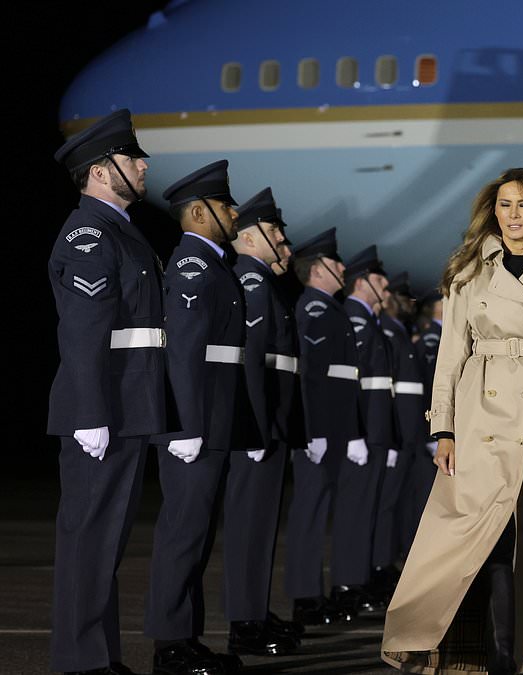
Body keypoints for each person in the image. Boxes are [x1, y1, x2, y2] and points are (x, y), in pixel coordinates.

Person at [382, 168, 523, 675]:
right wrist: (444, 428)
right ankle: (444, 643)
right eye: (504, 205)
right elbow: (451, 355)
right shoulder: (468, 269)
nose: (512, 215)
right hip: (482, 410)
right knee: (474, 535)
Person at [48, 109, 163, 675]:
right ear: (100, 170)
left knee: (106, 541)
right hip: (104, 409)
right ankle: (79, 662)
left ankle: (98, 657)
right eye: (131, 157)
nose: (143, 165)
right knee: (89, 540)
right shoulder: (90, 233)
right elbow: (85, 328)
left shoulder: (121, 230)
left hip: (127, 405)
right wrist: (90, 412)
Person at [147, 160, 258, 674]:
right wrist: (186, 426)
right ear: (198, 211)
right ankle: (170, 646)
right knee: (183, 533)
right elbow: (184, 352)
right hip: (196, 425)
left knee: (196, 535)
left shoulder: (213, 264)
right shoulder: (193, 263)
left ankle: (185, 637)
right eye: (226, 205)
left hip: (212, 420)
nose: (235, 213)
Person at [225, 187, 304, 655]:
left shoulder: (264, 283)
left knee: (261, 526)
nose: (285, 245)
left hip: (270, 424)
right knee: (247, 526)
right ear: (252, 238)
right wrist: (255, 426)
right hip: (257, 427)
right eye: (276, 233)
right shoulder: (251, 283)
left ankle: (253, 611)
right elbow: (251, 361)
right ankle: (243, 620)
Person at [285, 228, 362, 626]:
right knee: (309, 514)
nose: (343, 268)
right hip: (319, 430)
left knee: (319, 512)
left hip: (332, 430)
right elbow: (310, 377)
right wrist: (311, 430)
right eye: (336, 262)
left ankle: (312, 592)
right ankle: (304, 596)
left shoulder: (330, 310)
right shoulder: (313, 309)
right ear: (318, 270)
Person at [340, 245, 398, 611]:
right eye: (380, 280)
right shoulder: (356, 320)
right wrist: (354, 432)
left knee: (368, 510)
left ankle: (359, 579)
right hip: (363, 430)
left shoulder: (369, 320)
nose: (387, 287)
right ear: (362, 283)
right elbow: (349, 385)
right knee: (355, 511)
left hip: (376, 429)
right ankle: (348, 583)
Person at [380, 272, 435, 567]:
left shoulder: (400, 331)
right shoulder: (390, 332)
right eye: (404, 298)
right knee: (392, 503)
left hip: (411, 432)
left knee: (406, 503)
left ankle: (396, 561)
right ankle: (386, 563)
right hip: (402, 432)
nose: (410, 304)